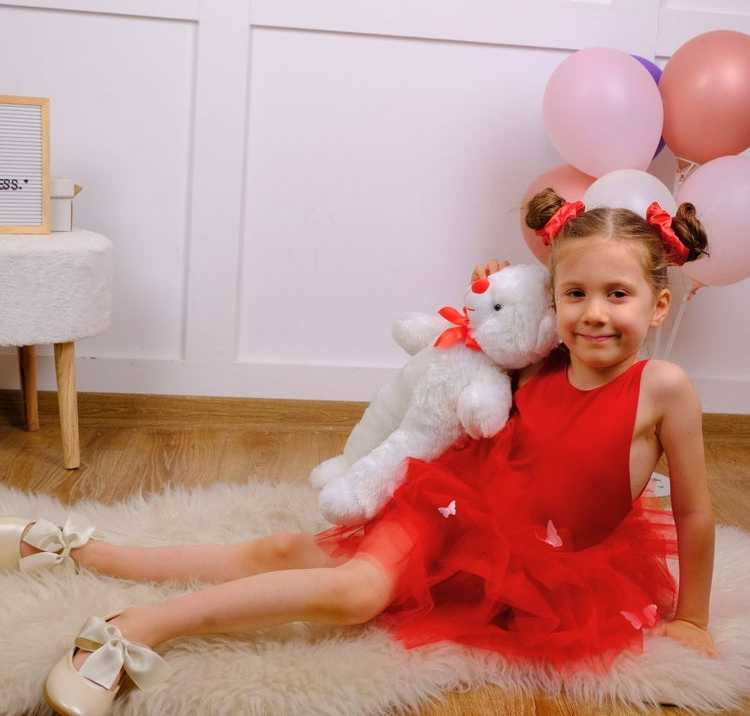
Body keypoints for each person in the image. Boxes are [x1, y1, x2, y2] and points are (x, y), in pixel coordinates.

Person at [1, 187, 717, 715]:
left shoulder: (665, 389)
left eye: (617, 295)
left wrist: (691, 614)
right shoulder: (540, 359)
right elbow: (490, 334)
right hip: (451, 509)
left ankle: (78, 548)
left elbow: (693, 514)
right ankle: (132, 629)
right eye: (576, 294)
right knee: (355, 591)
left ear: (658, 304)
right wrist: (495, 286)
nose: (595, 313)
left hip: (525, 564)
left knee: (285, 551)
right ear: (552, 301)